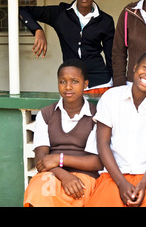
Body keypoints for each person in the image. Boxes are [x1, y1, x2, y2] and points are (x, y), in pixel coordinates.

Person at [86, 51, 146, 207]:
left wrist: (143, 183)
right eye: (145, 68)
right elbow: (102, 144)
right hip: (114, 175)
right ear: (134, 67)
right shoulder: (112, 97)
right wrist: (121, 183)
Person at [19, 0, 115, 94]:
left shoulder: (105, 20)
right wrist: (38, 30)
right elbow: (22, 10)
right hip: (72, 85)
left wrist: (118, 87)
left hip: (101, 84)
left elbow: (111, 56)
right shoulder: (60, 14)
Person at [23, 59, 103, 207]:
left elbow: (97, 162)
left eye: (74, 81)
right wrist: (63, 175)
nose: (68, 87)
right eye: (62, 81)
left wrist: (59, 159)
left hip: (86, 176)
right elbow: (41, 160)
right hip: (52, 174)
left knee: (78, 195)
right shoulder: (46, 114)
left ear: (85, 84)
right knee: (39, 191)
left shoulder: (97, 115)